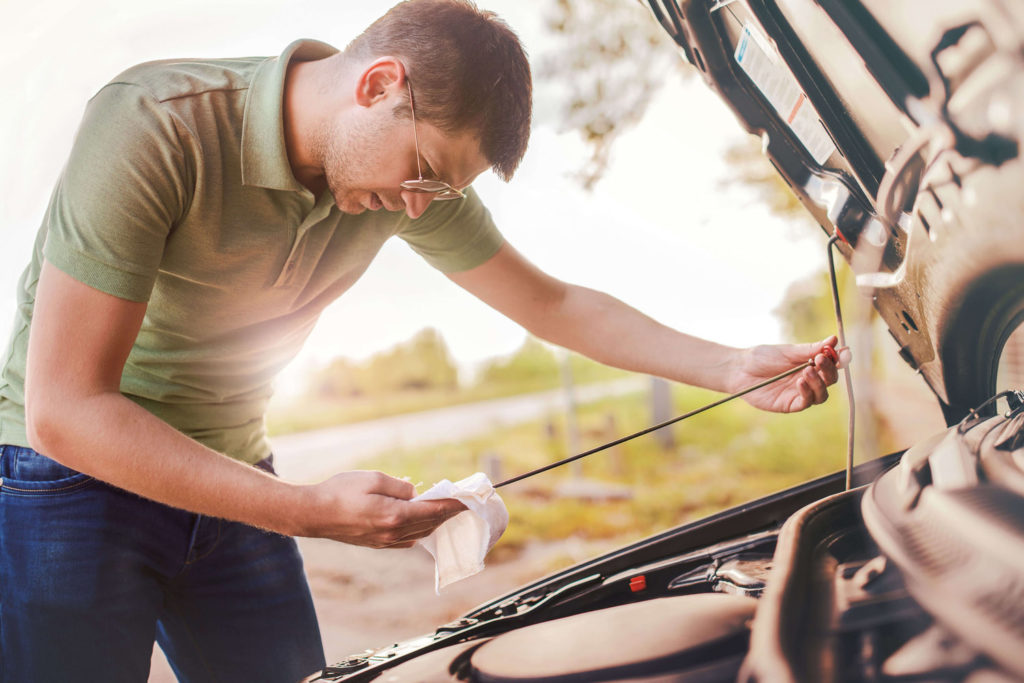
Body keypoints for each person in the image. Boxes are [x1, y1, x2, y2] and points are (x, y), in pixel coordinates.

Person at [0, 0, 842, 680]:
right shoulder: (155, 124)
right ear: (379, 85)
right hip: (69, 481)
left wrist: (734, 366)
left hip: (236, 470)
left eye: (438, 191)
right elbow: (67, 409)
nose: (417, 206)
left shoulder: (402, 184)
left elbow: (553, 303)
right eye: (424, 172)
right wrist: (306, 510)